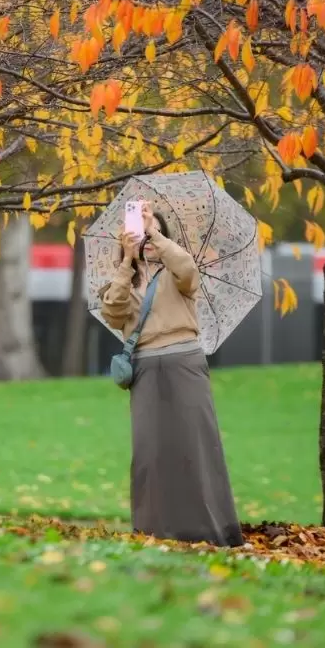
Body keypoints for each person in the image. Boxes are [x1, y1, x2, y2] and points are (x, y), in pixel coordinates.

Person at [98, 203, 245, 548]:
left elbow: (188, 268)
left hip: (184, 362)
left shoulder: (177, 274)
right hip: (146, 367)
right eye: (139, 233)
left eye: (153, 232)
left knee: (196, 445)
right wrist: (127, 261)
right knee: (150, 451)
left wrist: (153, 233)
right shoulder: (125, 280)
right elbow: (113, 313)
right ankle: (153, 530)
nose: (147, 239)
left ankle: (212, 530)